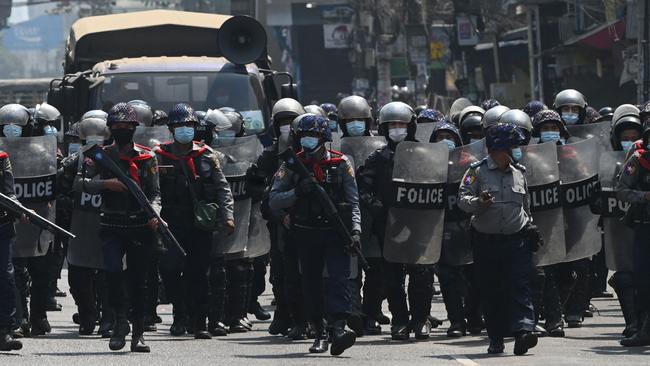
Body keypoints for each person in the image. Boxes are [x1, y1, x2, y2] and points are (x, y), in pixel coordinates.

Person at [269, 114, 359, 355]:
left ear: (324, 138)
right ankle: (318, 331)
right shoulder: (290, 165)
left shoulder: (341, 163)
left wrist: (356, 231)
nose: (309, 141)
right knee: (310, 283)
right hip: (306, 233)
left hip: (334, 232)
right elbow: (274, 200)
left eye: (315, 136)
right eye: (305, 136)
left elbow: (353, 201)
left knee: (339, 279)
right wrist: (297, 192)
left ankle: (338, 327)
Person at [75, 102, 161, 353]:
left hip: (139, 224)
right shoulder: (99, 155)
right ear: (110, 128)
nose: (123, 129)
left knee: (139, 280)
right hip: (111, 223)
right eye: (118, 126)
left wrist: (156, 213)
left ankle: (138, 332)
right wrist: (106, 184)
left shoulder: (147, 156)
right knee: (112, 274)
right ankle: (119, 323)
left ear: (135, 128)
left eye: (127, 126)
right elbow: (81, 184)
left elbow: (155, 193)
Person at [154, 103, 234, 339]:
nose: (185, 130)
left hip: (200, 224)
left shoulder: (207, 155)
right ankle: (180, 316)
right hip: (170, 223)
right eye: (180, 126)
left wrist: (228, 216)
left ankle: (199, 322)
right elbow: (152, 190)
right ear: (171, 129)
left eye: (189, 126)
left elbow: (223, 189)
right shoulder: (159, 155)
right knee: (169, 271)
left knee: (199, 273)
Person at [357, 102, 436, 341]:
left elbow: (436, 184)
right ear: (383, 128)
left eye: (402, 124)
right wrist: (378, 208)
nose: (397, 129)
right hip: (388, 225)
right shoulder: (378, 158)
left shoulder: (424, 154)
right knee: (392, 276)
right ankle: (400, 321)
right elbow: (363, 188)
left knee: (421, 273)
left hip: (419, 223)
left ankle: (421, 320)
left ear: (410, 127)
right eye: (392, 125)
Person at [458, 123, 539, 355]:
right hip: (486, 243)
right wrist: (478, 202)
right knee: (491, 291)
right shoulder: (476, 172)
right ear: (498, 147)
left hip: (516, 242)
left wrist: (530, 227)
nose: (517, 150)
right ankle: (495, 338)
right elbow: (462, 201)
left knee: (520, 286)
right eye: (513, 146)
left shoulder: (520, 172)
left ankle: (524, 331)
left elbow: (526, 207)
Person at [616, 117, 650, 347]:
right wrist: (645, 197)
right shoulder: (638, 161)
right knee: (643, 280)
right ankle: (641, 327)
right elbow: (622, 190)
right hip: (645, 226)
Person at [0, 145, 23, 351]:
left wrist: (19, 209)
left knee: (5, 277)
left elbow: (9, 192)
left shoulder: (2, 158)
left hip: (1, 226)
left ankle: (5, 330)